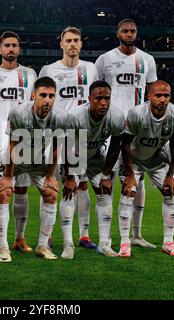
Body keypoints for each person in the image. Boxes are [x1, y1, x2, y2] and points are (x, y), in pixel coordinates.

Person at [95, 19, 157, 249]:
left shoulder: (147, 60)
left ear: (136, 33)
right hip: (111, 128)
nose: (129, 34)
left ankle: (136, 235)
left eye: (133, 31)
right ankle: (106, 237)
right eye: (125, 31)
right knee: (107, 180)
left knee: (136, 181)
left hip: (137, 128)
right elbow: (97, 92)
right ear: (118, 33)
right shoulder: (105, 59)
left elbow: (152, 93)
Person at [0, 31, 37, 259]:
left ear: (19, 49)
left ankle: (20, 238)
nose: (11, 49)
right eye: (7, 45)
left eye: (14, 45)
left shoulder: (30, 74)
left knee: (21, 190)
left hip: (23, 139)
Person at [39, 26, 99, 249]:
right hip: (53, 133)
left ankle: (84, 235)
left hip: (80, 135)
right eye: (68, 41)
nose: (73, 44)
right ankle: (49, 234)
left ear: (81, 44)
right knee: (50, 184)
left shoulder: (91, 69)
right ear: (61, 44)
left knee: (81, 185)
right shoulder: (49, 69)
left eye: (76, 40)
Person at [0, 76, 67, 261]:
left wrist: (51, 176)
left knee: (51, 193)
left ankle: (42, 246)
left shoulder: (60, 117)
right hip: (15, 158)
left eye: (51, 96)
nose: (47, 100)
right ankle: (3, 246)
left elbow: (57, 147)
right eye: (43, 95)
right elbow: (12, 146)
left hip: (37, 161)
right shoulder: (18, 113)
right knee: (3, 192)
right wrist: (8, 177)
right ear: (34, 95)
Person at [119, 81, 174, 257]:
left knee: (170, 192)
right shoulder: (136, 114)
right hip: (133, 160)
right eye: (158, 95)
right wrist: (130, 174)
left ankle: (168, 242)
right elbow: (125, 144)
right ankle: (125, 242)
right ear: (149, 96)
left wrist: (172, 174)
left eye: (166, 96)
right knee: (129, 192)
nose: (163, 99)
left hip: (157, 159)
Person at [60, 80, 124, 259]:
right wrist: (71, 177)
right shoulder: (75, 116)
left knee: (105, 193)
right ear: (89, 99)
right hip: (74, 155)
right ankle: (68, 245)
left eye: (107, 98)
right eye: (99, 99)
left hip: (96, 157)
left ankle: (104, 244)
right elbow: (67, 146)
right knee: (69, 194)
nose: (103, 103)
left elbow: (115, 147)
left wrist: (106, 175)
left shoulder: (116, 116)